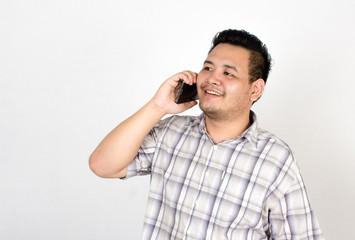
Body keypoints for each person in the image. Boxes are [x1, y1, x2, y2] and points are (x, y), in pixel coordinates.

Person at [89, 29, 323, 239]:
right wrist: (157, 107)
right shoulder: (172, 132)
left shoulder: (275, 160)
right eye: (208, 68)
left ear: (255, 89)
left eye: (228, 73)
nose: (212, 78)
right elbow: (103, 165)